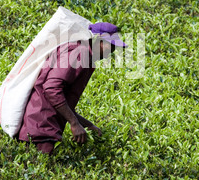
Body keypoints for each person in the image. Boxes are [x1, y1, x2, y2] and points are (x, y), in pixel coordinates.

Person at [15, 22, 127, 154]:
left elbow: (63, 100)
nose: (112, 51)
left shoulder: (82, 52)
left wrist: (88, 125)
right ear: (97, 40)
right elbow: (51, 89)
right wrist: (74, 124)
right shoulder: (80, 53)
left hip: (42, 126)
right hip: (41, 127)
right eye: (110, 45)